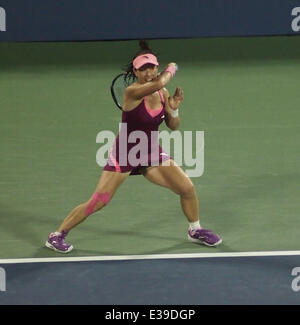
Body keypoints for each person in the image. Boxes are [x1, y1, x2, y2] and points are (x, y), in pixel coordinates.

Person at [45, 41, 222, 253]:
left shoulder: (163, 93)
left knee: (187, 188)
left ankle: (195, 230)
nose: (149, 73)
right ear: (135, 72)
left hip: (151, 152)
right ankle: (57, 235)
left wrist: (173, 110)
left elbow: (173, 127)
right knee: (99, 201)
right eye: (143, 69)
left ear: (156, 67)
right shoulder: (132, 92)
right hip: (125, 154)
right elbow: (158, 82)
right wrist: (172, 68)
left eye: (152, 67)